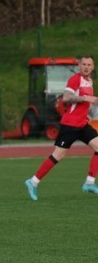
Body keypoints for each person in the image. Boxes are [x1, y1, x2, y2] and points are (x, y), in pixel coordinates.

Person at [26, 55, 98, 200]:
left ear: (93, 67)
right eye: (84, 64)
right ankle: (33, 182)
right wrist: (86, 98)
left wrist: (86, 115)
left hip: (82, 124)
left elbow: (81, 105)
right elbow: (66, 97)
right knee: (58, 155)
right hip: (70, 125)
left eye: (89, 65)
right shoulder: (75, 79)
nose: (86, 67)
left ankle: (89, 183)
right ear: (79, 66)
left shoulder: (89, 81)